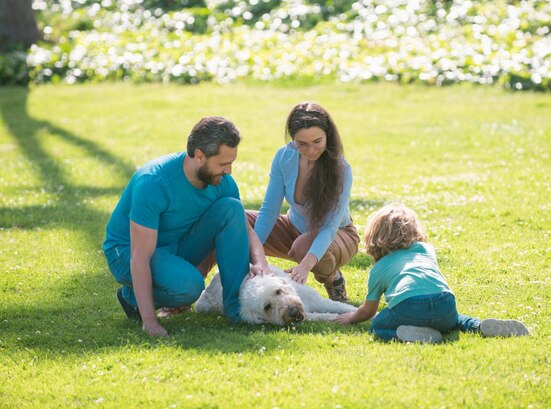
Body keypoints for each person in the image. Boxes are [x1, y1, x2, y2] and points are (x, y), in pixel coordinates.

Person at [103, 116, 270, 337]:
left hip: (176, 245)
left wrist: (260, 262)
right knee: (189, 287)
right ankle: (131, 299)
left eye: (231, 163)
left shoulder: (222, 182)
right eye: (222, 164)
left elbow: (245, 229)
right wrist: (150, 322)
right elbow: (139, 256)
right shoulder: (153, 183)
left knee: (232, 208)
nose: (229, 170)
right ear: (199, 156)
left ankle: (235, 309)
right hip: (127, 252)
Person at [334, 204, 529, 343]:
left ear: (374, 237)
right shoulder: (426, 249)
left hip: (409, 306)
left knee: (378, 325)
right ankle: (478, 326)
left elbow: (368, 311)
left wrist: (350, 317)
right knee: (455, 320)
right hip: (445, 302)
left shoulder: (379, 268)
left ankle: (410, 335)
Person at [247, 102, 359, 301]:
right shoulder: (284, 157)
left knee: (303, 245)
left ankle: (333, 278)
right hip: (293, 227)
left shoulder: (341, 169)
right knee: (236, 217)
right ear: (292, 139)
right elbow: (269, 210)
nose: (311, 150)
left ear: (328, 135)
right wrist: (253, 255)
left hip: (337, 236)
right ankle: (228, 280)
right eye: (302, 144)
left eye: (317, 141)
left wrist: (305, 266)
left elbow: (330, 227)